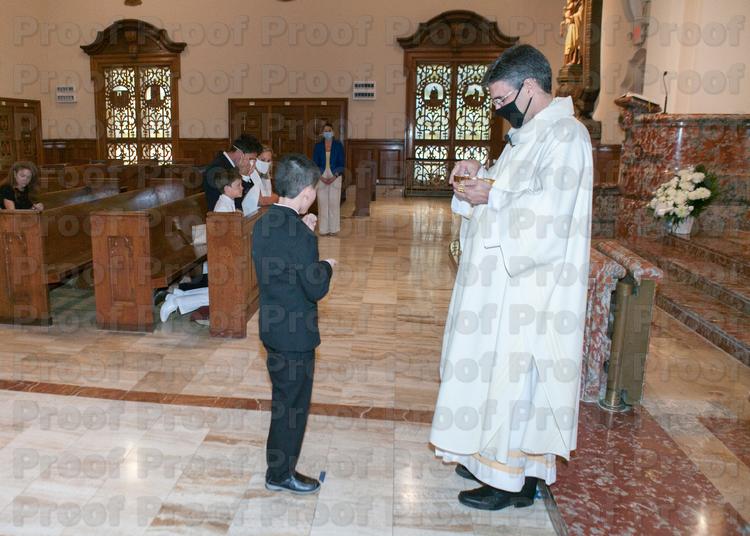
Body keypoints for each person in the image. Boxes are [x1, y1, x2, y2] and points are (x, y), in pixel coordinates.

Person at [429, 44, 593, 511]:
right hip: (498, 288)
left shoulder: (566, 136)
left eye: (502, 99)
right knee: (492, 375)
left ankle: (511, 481)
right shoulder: (530, 135)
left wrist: (491, 195)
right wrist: (478, 175)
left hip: (529, 295)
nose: (500, 110)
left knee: (515, 380)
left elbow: (551, 217)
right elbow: (511, 189)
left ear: (530, 86)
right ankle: (489, 459)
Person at [251, 153, 337, 494]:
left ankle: (279, 468)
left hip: (272, 329)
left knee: (282, 398)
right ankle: (280, 474)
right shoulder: (301, 237)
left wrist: (305, 235)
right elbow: (315, 288)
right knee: (292, 407)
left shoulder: (263, 223)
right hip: (296, 336)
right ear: (308, 193)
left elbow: (281, 264)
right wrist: (326, 265)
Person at [160, 171, 242, 323]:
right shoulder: (223, 209)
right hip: (222, 259)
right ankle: (176, 301)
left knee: (218, 292)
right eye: (238, 185)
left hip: (226, 257)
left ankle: (178, 295)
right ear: (227, 188)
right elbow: (224, 241)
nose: (242, 188)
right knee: (219, 295)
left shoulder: (228, 204)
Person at [204, 133, 263, 212]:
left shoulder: (230, 164)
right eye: (250, 159)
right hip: (221, 215)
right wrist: (244, 175)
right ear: (239, 153)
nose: (250, 163)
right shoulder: (217, 168)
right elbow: (235, 200)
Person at [312, 123, 345, 235]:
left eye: (329, 130)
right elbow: (315, 163)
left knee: (334, 203)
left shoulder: (338, 145)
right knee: (323, 203)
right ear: (322, 133)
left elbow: (341, 162)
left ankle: (333, 229)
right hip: (321, 175)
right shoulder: (318, 146)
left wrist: (335, 176)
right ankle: (323, 229)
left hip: (335, 175)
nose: (327, 132)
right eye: (325, 131)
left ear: (333, 132)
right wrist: (320, 177)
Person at [241, 144, 279, 216]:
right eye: (263, 160)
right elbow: (260, 201)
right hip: (250, 216)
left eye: (268, 161)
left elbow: (271, 195)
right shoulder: (250, 174)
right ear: (256, 159)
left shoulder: (265, 177)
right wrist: (277, 198)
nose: (265, 163)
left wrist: (272, 199)